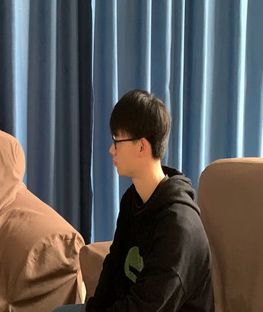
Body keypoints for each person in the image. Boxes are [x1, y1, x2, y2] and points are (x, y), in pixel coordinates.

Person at [55, 89, 214, 311]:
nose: (111, 150)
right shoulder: (133, 198)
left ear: (141, 146)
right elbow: (114, 266)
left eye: (117, 141)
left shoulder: (178, 226)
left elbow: (148, 306)